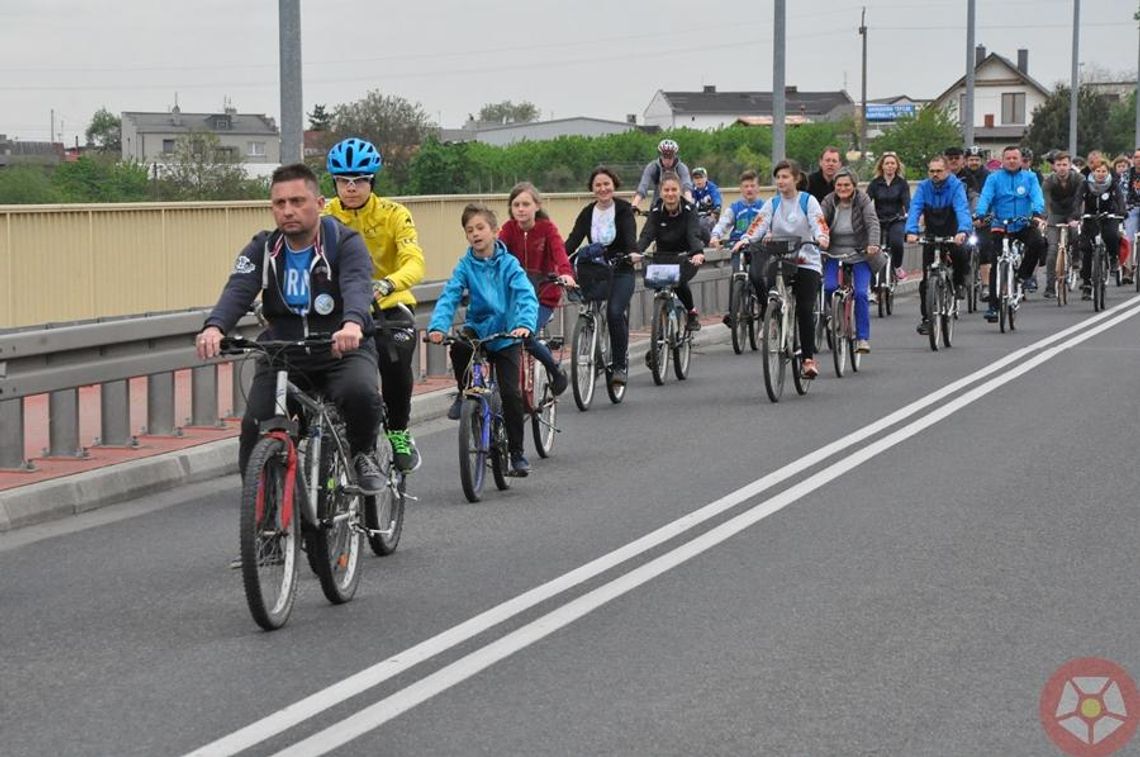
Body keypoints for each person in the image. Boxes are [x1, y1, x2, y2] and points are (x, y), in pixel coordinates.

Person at [196, 163, 384, 495]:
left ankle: (362, 455)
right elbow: (239, 288)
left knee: (361, 394)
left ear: (320, 203)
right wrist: (215, 327)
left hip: (340, 348)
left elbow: (357, 285)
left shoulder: (345, 242)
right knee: (255, 425)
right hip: (283, 353)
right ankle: (264, 513)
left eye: (297, 201)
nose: (288, 211)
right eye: (279, 204)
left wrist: (352, 323)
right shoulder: (264, 248)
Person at [322, 137, 425, 473]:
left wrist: (388, 283)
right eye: (343, 181)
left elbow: (414, 262)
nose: (351, 188)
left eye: (360, 180)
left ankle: (398, 431)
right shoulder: (324, 215)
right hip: (342, 308)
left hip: (389, 306)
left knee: (395, 364)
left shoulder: (395, 214)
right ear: (334, 182)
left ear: (372, 181)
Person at [428, 204, 538, 477]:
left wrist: (524, 324)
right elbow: (450, 295)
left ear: (494, 231)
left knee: (512, 394)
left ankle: (517, 453)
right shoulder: (465, 266)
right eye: (469, 230)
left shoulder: (509, 264)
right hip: (477, 329)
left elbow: (525, 295)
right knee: (459, 347)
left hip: (506, 332)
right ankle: (464, 391)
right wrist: (438, 326)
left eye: (480, 228)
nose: (475, 234)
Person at [735, 159, 829, 379]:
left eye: (785, 177)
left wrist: (822, 237)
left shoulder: (808, 201)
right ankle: (774, 319)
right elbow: (759, 224)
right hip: (781, 260)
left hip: (807, 261)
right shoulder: (773, 203)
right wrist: (746, 239)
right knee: (769, 287)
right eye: (778, 177)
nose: (781, 181)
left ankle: (807, 359)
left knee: (805, 308)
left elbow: (819, 223)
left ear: (795, 179)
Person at [564, 166, 640, 386]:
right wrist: (557, 259)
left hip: (621, 268)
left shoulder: (624, 210)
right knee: (588, 304)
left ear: (614, 185)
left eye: (606, 184)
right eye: (598, 185)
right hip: (596, 269)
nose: (603, 188)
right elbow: (573, 241)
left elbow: (630, 237)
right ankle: (592, 345)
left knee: (615, 313)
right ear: (592, 188)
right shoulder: (588, 212)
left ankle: (619, 366)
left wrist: (632, 254)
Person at [498, 181, 574, 395]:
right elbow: (496, 254)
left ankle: (556, 372)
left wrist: (566, 273)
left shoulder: (547, 229)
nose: (521, 209)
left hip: (543, 296)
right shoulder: (508, 229)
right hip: (515, 297)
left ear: (537, 206)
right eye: (516, 205)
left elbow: (560, 253)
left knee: (525, 336)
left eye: (525, 204)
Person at [975, 145, 1047, 322]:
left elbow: (1037, 196)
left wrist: (1037, 214)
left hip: (1022, 223)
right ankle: (993, 306)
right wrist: (981, 213)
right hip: (1000, 224)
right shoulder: (994, 178)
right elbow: (985, 197)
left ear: (1021, 160)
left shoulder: (1029, 177)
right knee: (995, 262)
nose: (1012, 161)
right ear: (1002, 160)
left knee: (1038, 242)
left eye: (1015, 158)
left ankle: (1024, 275)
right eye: (1008, 158)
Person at [905, 156, 971, 335]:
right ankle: (927, 318)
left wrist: (963, 231)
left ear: (947, 171)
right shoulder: (923, 187)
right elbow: (915, 209)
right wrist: (911, 231)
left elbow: (962, 209)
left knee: (961, 254)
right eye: (932, 171)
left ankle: (959, 283)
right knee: (926, 280)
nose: (935, 174)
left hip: (953, 231)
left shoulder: (956, 186)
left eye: (939, 171)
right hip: (932, 234)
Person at [820, 168, 881, 353]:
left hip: (859, 252)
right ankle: (835, 316)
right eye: (839, 185)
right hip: (833, 252)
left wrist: (873, 244)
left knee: (861, 294)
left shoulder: (863, 200)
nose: (843, 188)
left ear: (854, 186)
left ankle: (862, 338)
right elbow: (819, 221)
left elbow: (872, 222)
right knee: (829, 287)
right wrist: (819, 239)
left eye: (847, 185)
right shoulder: (829, 201)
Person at [637, 172, 706, 333]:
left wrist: (697, 252)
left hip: (685, 256)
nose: (670, 194)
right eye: (666, 190)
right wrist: (636, 251)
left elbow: (693, 233)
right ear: (661, 192)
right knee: (659, 290)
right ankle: (659, 340)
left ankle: (691, 312)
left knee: (679, 283)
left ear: (680, 191)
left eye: (674, 190)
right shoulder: (656, 210)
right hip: (662, 257)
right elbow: (647, 234)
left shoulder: (690, 209)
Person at [711, 169, 768, 325]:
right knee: (735, 276)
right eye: (746, 186)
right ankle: (733, 311)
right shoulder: (735, 208)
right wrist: (715, 235)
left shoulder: (764, 207)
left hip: (758, 247)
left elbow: (770, 224)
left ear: (758, 188)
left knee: (758, 277)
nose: (749, 189)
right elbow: (723, 223)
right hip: (738, 247)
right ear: (741, 189)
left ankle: (765, 306)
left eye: (752, 186)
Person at [1077, 157, 1126, 300]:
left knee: (1111, 236)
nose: (1101, 174)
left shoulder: (1113, 184)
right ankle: (1086, 284)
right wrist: (1075, 214)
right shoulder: (1085, 184)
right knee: (1086, 249)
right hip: (1090, 218)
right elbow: (1078, 200)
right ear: (1093, 172)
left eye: (1104, 171)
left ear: (1108, 172)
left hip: (1108, 216)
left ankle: (1113, 257)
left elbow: (1120, 199)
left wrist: (1121, 211)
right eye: (1098, 171)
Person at [1041, 151, 1085, 298]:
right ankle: (1050, 287)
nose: (1062, 168)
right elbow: (1045, 201)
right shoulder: (1049, 181)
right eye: (1058, 165)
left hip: (1073, 212)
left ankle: (1076, 259)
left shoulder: (1079, 179)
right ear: (1054, 166)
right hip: (1055, 214)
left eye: (1065, 164)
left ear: (1070, 165)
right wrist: (1044, 218)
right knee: (1052, 249)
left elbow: (1081, 199)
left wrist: (1076, 217)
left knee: (1075, 234)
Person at [866, 151, 910, 280]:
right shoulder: (875, 183)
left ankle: (897, 267)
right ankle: (873, 280)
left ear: (897, 166)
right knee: (874, 248)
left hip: (897, 219)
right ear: (882, 166)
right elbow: (866, 201)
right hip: (878, 220)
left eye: (892, 163)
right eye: (887, 163)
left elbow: (907, 202)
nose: (890, 166)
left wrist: (910, 215)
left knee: (896, 242)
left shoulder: (902, 184)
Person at [962, 146, 993, 297]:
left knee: (986, 248)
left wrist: (987, 216)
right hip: (965, 218)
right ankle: (962, 278)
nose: (973, 162)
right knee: (961, 249)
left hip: (984, 219)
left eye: (976, 159)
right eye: (971, 159)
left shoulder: (989, 176)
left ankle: (986, 285)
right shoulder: (961, 176)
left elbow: (992, 198)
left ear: (981, 161)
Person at [631, 139, 694, 210]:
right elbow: (643, 186)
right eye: (665, 156)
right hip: (657, 204)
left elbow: (687, 186)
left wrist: (689, 204)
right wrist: (634, 205)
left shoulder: (681, 167)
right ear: (660, 155)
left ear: (674, 156)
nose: (667, 160)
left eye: (670, 157)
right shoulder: (652, 167)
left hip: (677, 204)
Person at [691, 167, 722, 241]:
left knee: (702, 224)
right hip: (696, 216)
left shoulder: (712, 188)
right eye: (696, 178)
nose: (698, 180)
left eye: (701, 178)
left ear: (706, 178)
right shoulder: (691, 190)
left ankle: (710, 242)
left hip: (709, 215)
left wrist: (717, 208)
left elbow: (717, 199)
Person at [1122, 148, 1140, 281]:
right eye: (1136, 157)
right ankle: (1128, 270)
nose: (1138, 160)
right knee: (1129, 237)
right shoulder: (1127, 174)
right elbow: (1122, 192)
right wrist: (1124, 207)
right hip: (1132, 208)